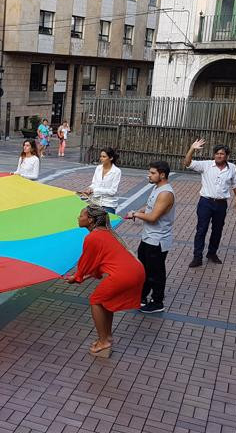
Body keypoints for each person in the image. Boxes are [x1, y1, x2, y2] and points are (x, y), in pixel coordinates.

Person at [64, 205, 145, 355]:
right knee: (104, 301)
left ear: (90, 220)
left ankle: (104, 341)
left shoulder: (92, 237)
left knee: (96, 300)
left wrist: (77, 277)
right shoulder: (105, 232)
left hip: (124, 274)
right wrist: (80, 277)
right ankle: (106, 336)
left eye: (81, 215)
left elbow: (86, 263)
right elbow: (98, 264)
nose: (78, 217)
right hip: (136, 270)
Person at [184, 139, 236, 268]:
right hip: (205, 202)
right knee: (201, 230)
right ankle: (197, 257)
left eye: (222, 154)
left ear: (227, 156)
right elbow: (187, 163)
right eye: (217, 153)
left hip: (221, 204)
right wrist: (192, 149)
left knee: (217, 230)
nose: (219, 156)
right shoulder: (206, 165)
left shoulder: (232, 168)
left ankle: (212, 253)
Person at [126, 161, 175, 314]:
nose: (149, 175)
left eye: (152, 173)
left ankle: (157, 301)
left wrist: (135, 214)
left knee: (156, 272)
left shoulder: (166, 193)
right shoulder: (157, 188)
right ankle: (142, 297)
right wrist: (139, 210)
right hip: (148, 237)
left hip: (158, 240)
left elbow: (153, 217)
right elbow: (150, 208)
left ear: (162, 175)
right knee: (144, 269)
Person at [79, 147, 121, 214]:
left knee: (105, 223)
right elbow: (94, 183)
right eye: (100, 156)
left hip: (108, 204)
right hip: (95, 202)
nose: (101, 158)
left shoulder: (116, 171)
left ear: (111, 158)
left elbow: (113, 191)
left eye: (104, 157)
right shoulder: (98, 168)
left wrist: (95, 190)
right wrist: (89, 188)